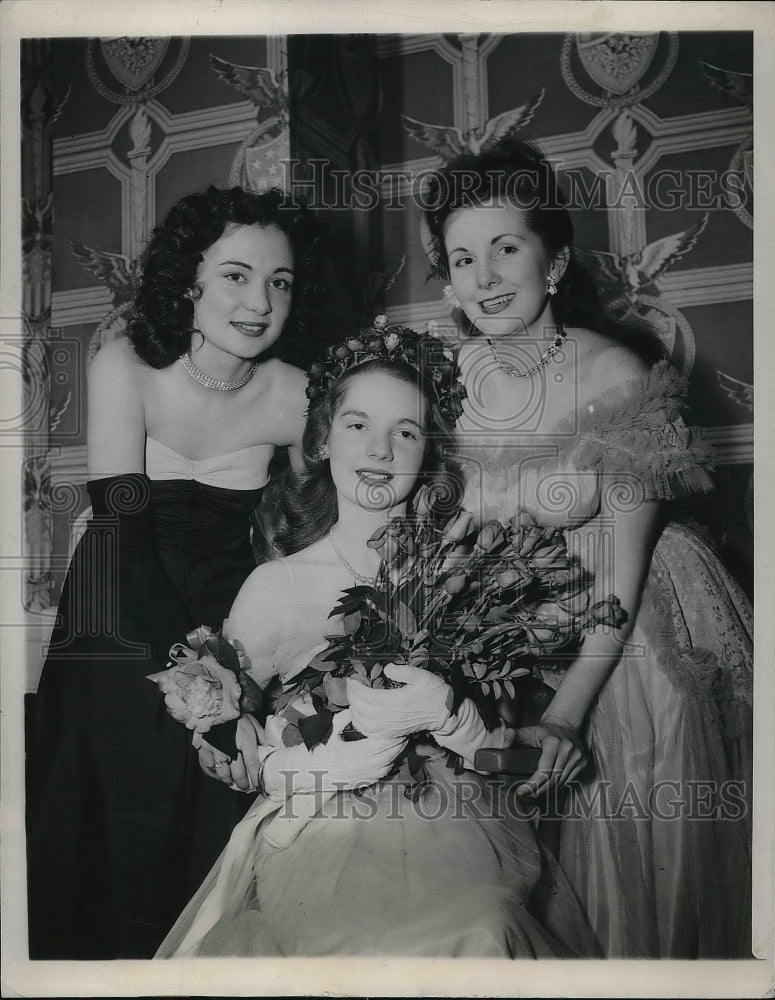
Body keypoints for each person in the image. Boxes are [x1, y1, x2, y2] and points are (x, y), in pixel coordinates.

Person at [154, 325, 599, 958]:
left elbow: (516, 768)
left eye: (407, 432)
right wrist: (316, 766)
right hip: (316, 838)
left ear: (429, 454)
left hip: (459, 829)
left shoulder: (468, 575)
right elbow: (233, 750)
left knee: (481, 927)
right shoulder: (274, 588)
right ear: (322, 439)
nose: (382, 450)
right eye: (359, 425)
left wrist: (454, 720)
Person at [421, 136, 753, 958]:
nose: (486, 277)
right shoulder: (440, 383)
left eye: (506, 248)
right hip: (515, 642)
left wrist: (567, 712)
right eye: (463, 258)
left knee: (626, 883)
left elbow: (621, 571)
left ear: (556, 261)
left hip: (626, 637)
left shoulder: (615, 377)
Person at [27, 185, 344, 958]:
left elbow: (308, 538)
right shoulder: (123, 365)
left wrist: (268, 665)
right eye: (236, 275)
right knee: (121, 758)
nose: (259, 301)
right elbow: (123, 530)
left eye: (280, 281)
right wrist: (208, 683)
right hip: (115, 595)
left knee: (218, 784)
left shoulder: (296, 392)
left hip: (227, 601)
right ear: (188, 282)